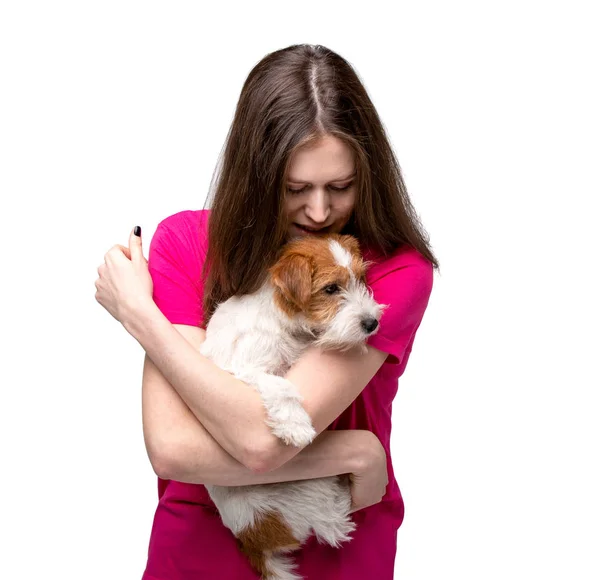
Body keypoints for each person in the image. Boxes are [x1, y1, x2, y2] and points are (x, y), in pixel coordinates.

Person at [95, 43, 439, 579]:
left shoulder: (393, 271)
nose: (320, 211)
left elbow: (260, 441)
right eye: (295, 188)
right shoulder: (187, 243)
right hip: (197, 550)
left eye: (340, 187)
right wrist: (357, 453)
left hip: (336, 547)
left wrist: (143, 319)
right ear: (256, 176)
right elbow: (171, 448)